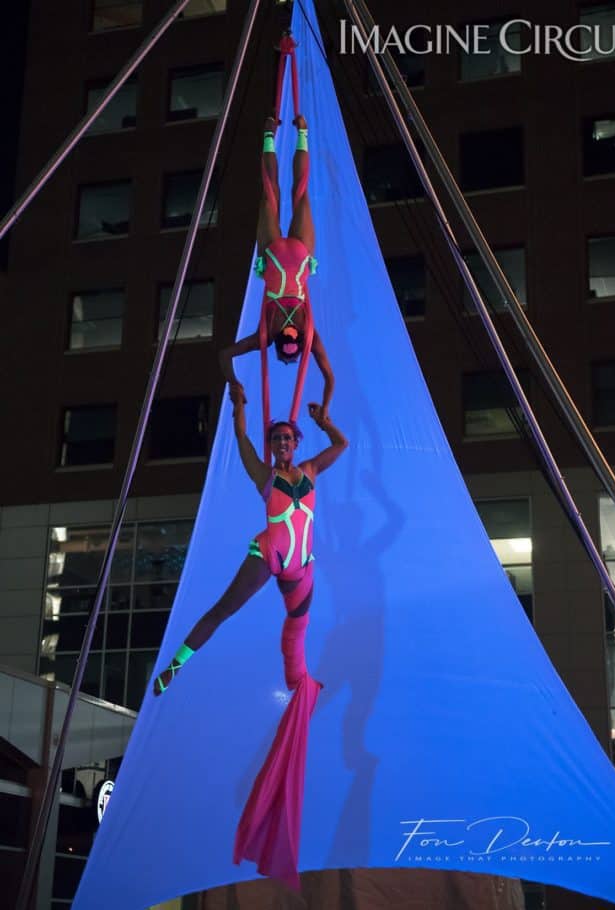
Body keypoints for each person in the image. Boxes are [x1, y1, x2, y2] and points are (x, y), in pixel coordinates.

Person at [153, 384, 347, 695]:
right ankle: (174, 668)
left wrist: (323, 422)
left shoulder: (310, 469)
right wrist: (238, 407)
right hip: (270, 555)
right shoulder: (264, 475)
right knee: (223, 609)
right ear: (270, 446)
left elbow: (341, 443)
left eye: (287, 437)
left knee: (299, 623)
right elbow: (242, 439)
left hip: (301, 567)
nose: (281, 442)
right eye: (276, 438)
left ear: (296, 442)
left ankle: (297, 682)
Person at [219, 113, 334, 423]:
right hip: (295, 258)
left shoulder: (265, 336)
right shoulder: (304, 337)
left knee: (272, 192)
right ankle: (301, 134)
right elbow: (329, 375)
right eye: (293, 341)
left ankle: (271, 134)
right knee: (297, 191)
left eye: (287, 340)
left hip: (276, 258)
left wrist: (234, 383)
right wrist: (325, 409)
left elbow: (225, 354)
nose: (291, 334)